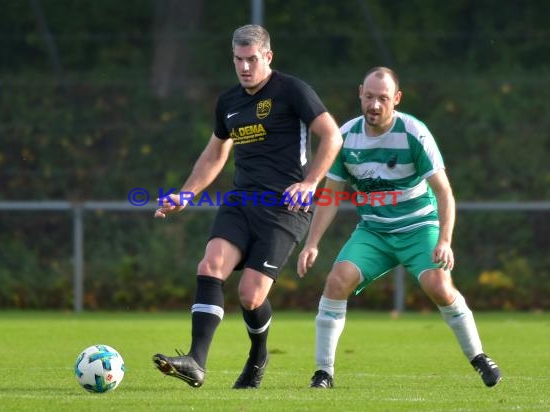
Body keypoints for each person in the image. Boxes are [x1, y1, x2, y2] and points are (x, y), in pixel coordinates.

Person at [152, 24, 343, 389]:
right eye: (238, 60)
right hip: (241, 201)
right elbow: (215, 153)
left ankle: (258, 355)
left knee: (250, 296)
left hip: (286, 207)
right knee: (209, 265)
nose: (244, 67)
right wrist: (186, 193)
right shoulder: (229, 101)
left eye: (251, 59)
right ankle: (196, 361)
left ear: (267, 57)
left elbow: (332, 135)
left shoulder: (293, 91)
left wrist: (309, 183)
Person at [297, 67, 502, 389]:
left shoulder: (413, 133)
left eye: (382, 98)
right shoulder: (346, 136)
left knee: (439, 287)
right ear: (359, 94)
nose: (374, 105)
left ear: (397, 99)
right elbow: (331, 196)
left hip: (419, 227)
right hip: (374, 232)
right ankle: (323, 372)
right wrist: (312, 244)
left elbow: (444, 192)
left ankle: (479, 357)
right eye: (369, 97)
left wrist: (445, 240)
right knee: (337, 281)